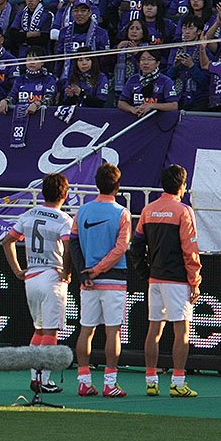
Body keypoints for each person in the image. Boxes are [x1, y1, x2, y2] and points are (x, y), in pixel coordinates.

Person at [132, 165, 202, 398]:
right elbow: (190, 249)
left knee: (154, 329)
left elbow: (136, 246)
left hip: (156, 278)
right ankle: (178, 382)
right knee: (181, 331)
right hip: (178, 280)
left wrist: (145, 273)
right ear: (182, 186)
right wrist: (195, 280)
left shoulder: (148, 210)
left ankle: (151, 381)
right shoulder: (184, 211)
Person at [1, 172, 72, 394]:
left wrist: (17, 270)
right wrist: (67, 271)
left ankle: (35, 377)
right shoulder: (64, 219)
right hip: (51, 277)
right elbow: (68, 249)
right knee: (50, 332)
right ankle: (44, 380)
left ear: (43, 193)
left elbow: (7, 241)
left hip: (31, 277)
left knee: (39, 330)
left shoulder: (29, 214)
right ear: (65, 195)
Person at [69, 162, 131, 397]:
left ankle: (84, 382)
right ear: (117, 186)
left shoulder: (83, 211)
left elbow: (73, 243)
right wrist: (97, 270)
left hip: (88, 281)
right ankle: (110, 383)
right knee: (113, 332)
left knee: (86, 330)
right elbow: (120, 248)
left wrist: (85, 272)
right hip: (113, 280)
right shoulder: (122, 213)